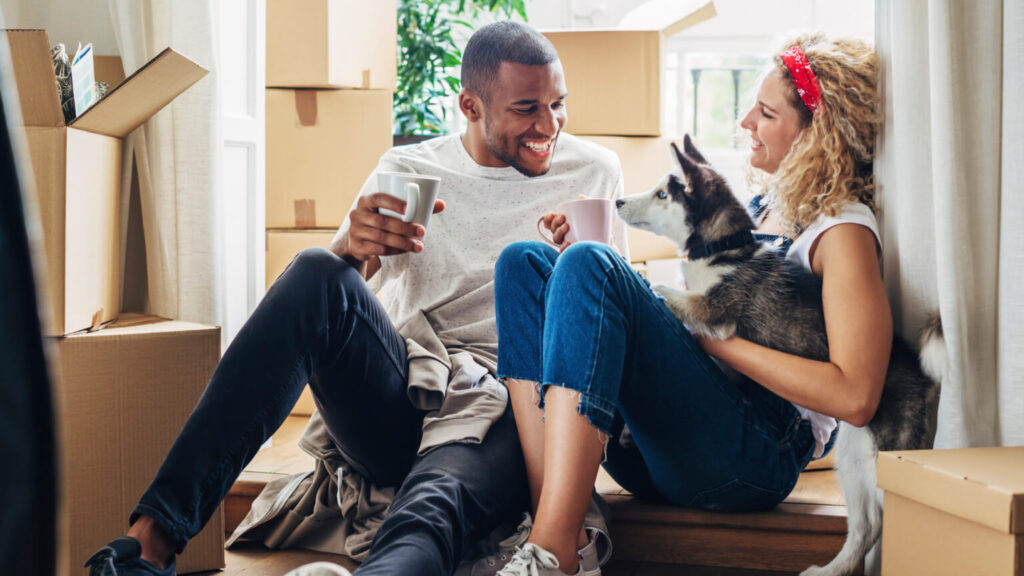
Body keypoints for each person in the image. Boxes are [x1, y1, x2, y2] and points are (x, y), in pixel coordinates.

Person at [84, 21, 627, 576]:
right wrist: (351, 246)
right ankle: (149, 541)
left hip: (509, 408)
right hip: (406, 395)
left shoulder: (593, 172)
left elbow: (605, 321)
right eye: (527, 107)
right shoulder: (412, 171)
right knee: (318, 268)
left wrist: (577, 264)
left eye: (559, 104)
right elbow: (341, 291)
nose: (549, 125)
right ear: (470, 105)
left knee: (431, 505)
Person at [492, 33, 884, 576]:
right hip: (664, 447)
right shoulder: (761, 210)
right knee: (525, 264)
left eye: (766, 113)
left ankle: (552, 553)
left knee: (589, 265)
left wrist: (709, 336)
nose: (746, 121)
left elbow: (856, 396)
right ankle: (561, 530)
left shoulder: (840, 231)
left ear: (820, 136)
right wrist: (582, 282)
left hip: (752, 452)